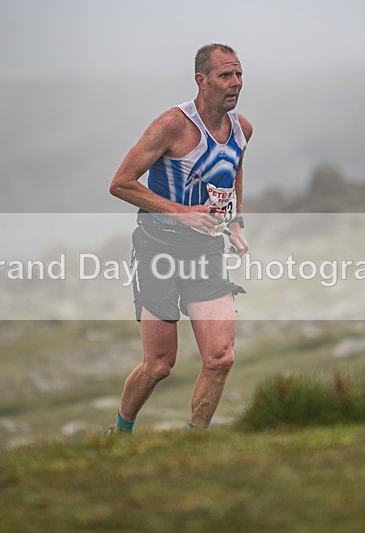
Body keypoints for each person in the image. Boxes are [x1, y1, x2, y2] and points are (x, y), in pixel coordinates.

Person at [107, 43, 253, 433]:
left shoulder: (242, 128)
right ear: (201, 81)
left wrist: (235, 223)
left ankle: (193, 443)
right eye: (225, 75)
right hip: (157, 249)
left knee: (220, 358)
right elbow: (120, 184)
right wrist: (184, 213)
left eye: (239, 74)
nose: (235, 83)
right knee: (159, 365)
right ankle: (120, 433)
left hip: (205, 251)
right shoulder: (172, 125)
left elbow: (233, 169)